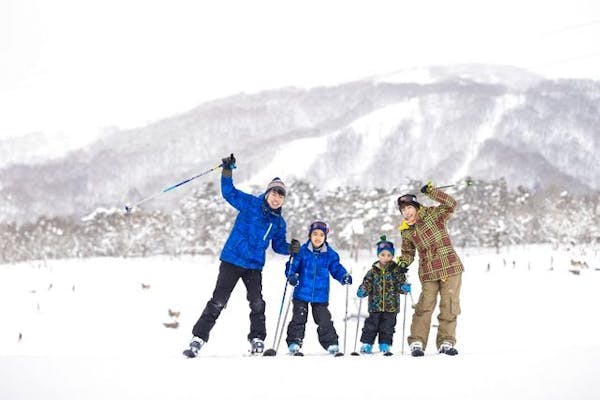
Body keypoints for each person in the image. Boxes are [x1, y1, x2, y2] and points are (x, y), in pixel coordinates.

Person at [183, 154, 301, 358]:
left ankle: (257, 338)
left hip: (254, 265)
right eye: (274, 193)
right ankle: (198, 338)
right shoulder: (250, 204)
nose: (277, 198)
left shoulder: (279, 223)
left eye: (281, 196)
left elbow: (278, 246)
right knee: (219, 300)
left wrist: (291, 248)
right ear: (267, 193)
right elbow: (229, 193)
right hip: (232, 260)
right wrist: (227, 171)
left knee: (257, 302)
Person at [396, 182, 464, 357]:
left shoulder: (434, 214)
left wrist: (432, 192)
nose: (406, 212)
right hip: (428, 271)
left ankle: (446, 341)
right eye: (403, 210)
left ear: (417, 207)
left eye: (409, 207)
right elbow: (408, 252)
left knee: (448, 305)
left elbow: (451, 204)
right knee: (424, 306)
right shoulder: (407, 231)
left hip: (449, 266)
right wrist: (403, 262)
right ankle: (417, 341)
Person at [285, 220, 353, 355]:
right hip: (301, 292)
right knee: (299, 318)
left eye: (321, 235)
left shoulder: (330, 254)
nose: (317, 237)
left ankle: (331, 343)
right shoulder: (302, 252)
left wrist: (343, 275)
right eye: (315, 234)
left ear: (325, 237)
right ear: (310, 235)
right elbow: (291, 266)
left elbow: (336, 268)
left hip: (320, 295)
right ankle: (294, 342)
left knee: (324, 320)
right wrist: (291, 276)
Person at [356, 235, 409, 355]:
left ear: (392, 256)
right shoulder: (372, 271)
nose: (386, 257)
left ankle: (384, 344)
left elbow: (400, 284)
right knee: (371, 325)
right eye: (383, 255)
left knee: (388, 327)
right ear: (378, 255)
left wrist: (404, 287)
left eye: (389, 255)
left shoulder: (396, 271)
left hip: (391, 306)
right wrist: (363, 290)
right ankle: (367, 344)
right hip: (375, 305)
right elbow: (367, 283)